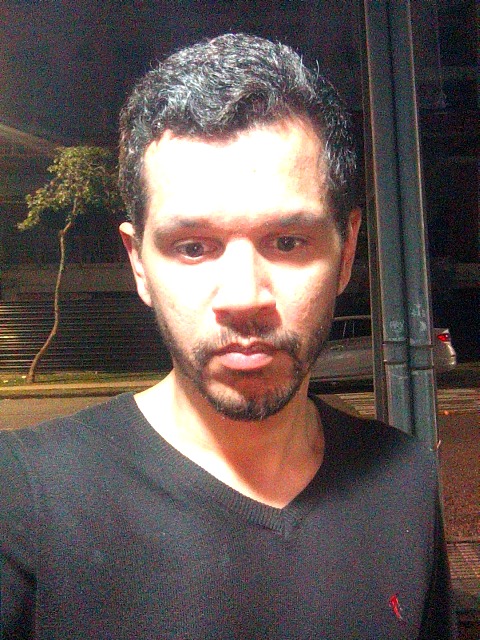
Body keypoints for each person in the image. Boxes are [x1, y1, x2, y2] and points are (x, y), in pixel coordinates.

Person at [0, 34, 457, 639]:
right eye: (193, 247)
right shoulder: (22, 497)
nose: (244, 297)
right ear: (139, 264)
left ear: (346, 252)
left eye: (288, 242)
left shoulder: (405, 479)